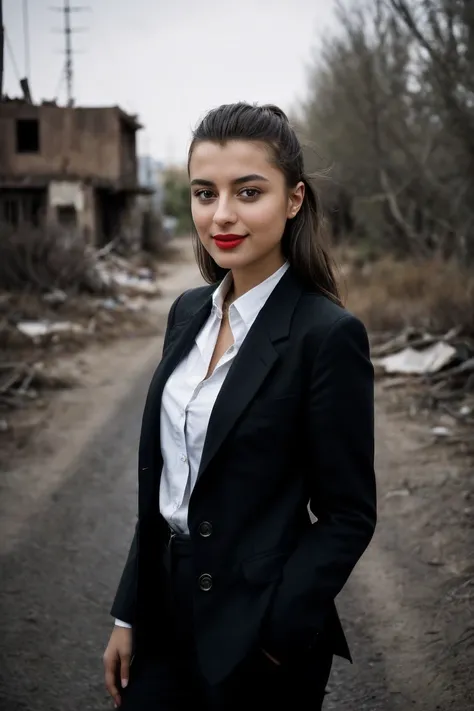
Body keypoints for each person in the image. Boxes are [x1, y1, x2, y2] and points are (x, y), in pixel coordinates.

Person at [103, 101, 377, 710]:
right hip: (163, 612)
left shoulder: (326, 335)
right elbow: (170, 488)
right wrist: (128, 614)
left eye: (248, 192)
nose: (222, 215)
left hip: (259, 630)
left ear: (294, 199)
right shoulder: (187, 314)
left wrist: (276, 636)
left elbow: (349, 514)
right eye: (205, 193)